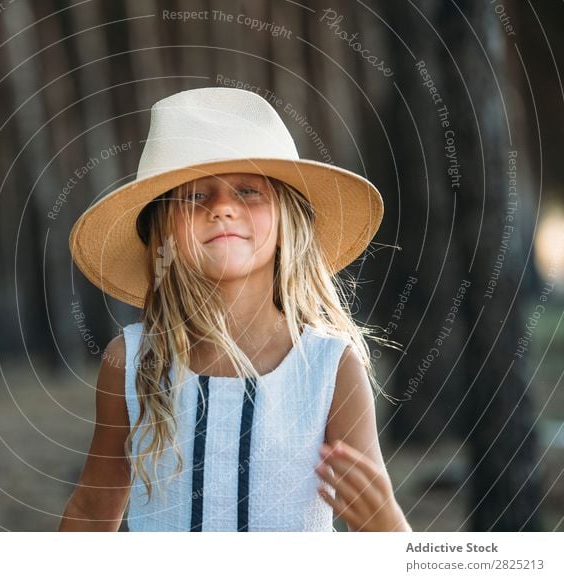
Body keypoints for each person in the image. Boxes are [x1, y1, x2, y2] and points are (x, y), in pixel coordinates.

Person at [60, 87, 411, 532]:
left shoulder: (329, 367)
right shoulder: (129, 362)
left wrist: (388, 524)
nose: (223, 208)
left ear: (288, 224)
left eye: (248, 191)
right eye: (194, 197)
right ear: (162, 234)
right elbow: (92, 511)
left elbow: (376, 524)